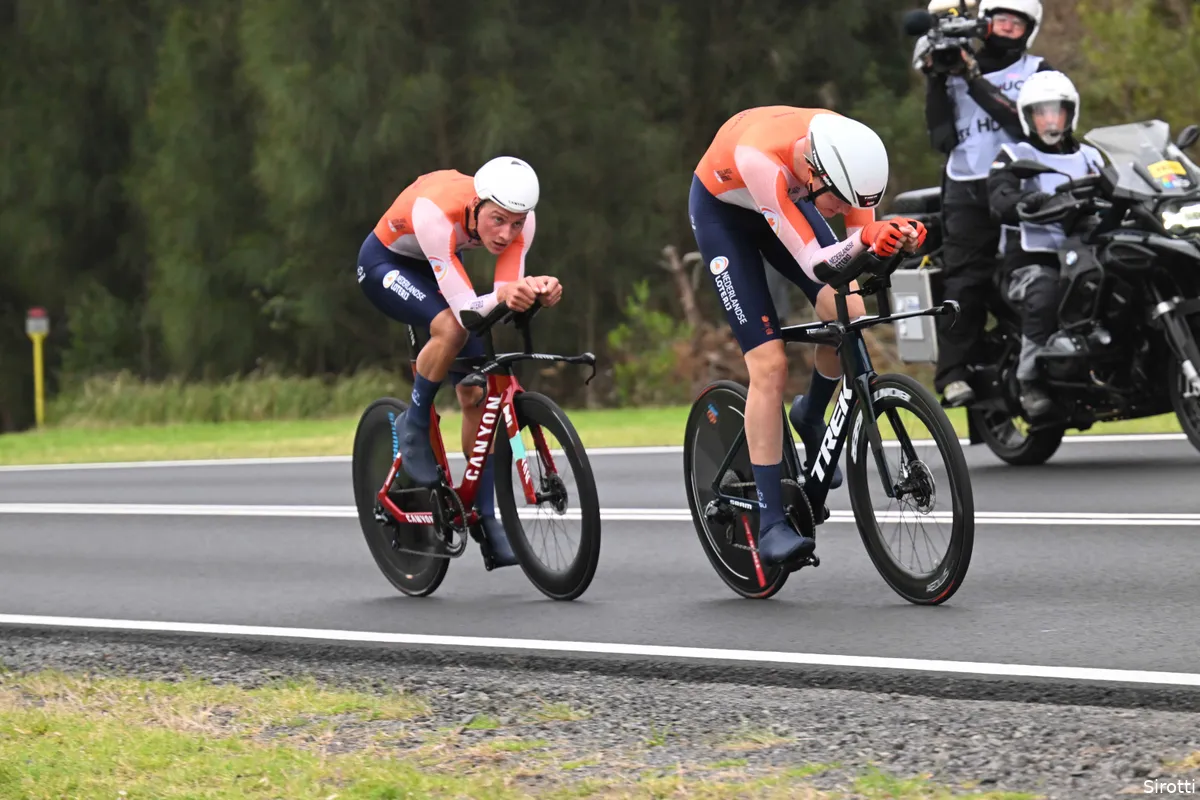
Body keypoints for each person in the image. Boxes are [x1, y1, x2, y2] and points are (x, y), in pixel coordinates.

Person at [689, 106, 927, 567]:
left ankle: (812, 413)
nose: (840, 210)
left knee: (850, 310)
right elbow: (817, 263)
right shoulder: (762, 158)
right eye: (836, 200)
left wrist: (893, 242)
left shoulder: (849, 161)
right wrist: (864, 242)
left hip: (786, 202)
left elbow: (857, 261)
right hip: (726, 215)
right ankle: (771, 521)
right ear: (816, 169)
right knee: (770, 363)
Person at [355, 156, 563, 568]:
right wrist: (505, 296)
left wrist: (535, 290)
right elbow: (468, 311)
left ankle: (483, 517)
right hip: (387, 264)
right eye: (497, 220)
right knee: (451, 329)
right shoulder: (438, 213)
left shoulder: (522, 222)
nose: (506, 235)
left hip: (440, 262)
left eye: (516, 224)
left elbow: (505, 295)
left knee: (475, 392)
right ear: (478, 204)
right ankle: (413, 424)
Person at [917, 0, 1058, 407]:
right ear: (984, 23)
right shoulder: (955, 69)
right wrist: (936, 80)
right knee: (964, 278)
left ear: (1029, 29)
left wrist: (973, 78)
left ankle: (1044, 359)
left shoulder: (1039, 72)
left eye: (1016, 24)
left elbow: (1024, 124)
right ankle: (954, 373)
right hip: (967, 186)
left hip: (1022, 181)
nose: (1005, 29)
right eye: (999, 21)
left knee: (1043, 268)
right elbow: (941, 139)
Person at [986, 71, 1104, 418]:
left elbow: (1120, 185)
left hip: (1085, 253)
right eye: (1042, 112)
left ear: (1071, 115)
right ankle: (1029, 380)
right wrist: (1029, 200)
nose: (1051, 120)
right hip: (1030, 262)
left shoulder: (1091, 156)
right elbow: (999, 198)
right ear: (1028, 116)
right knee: (1045, 292)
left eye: (1058, 112)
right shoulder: (1013, 154)